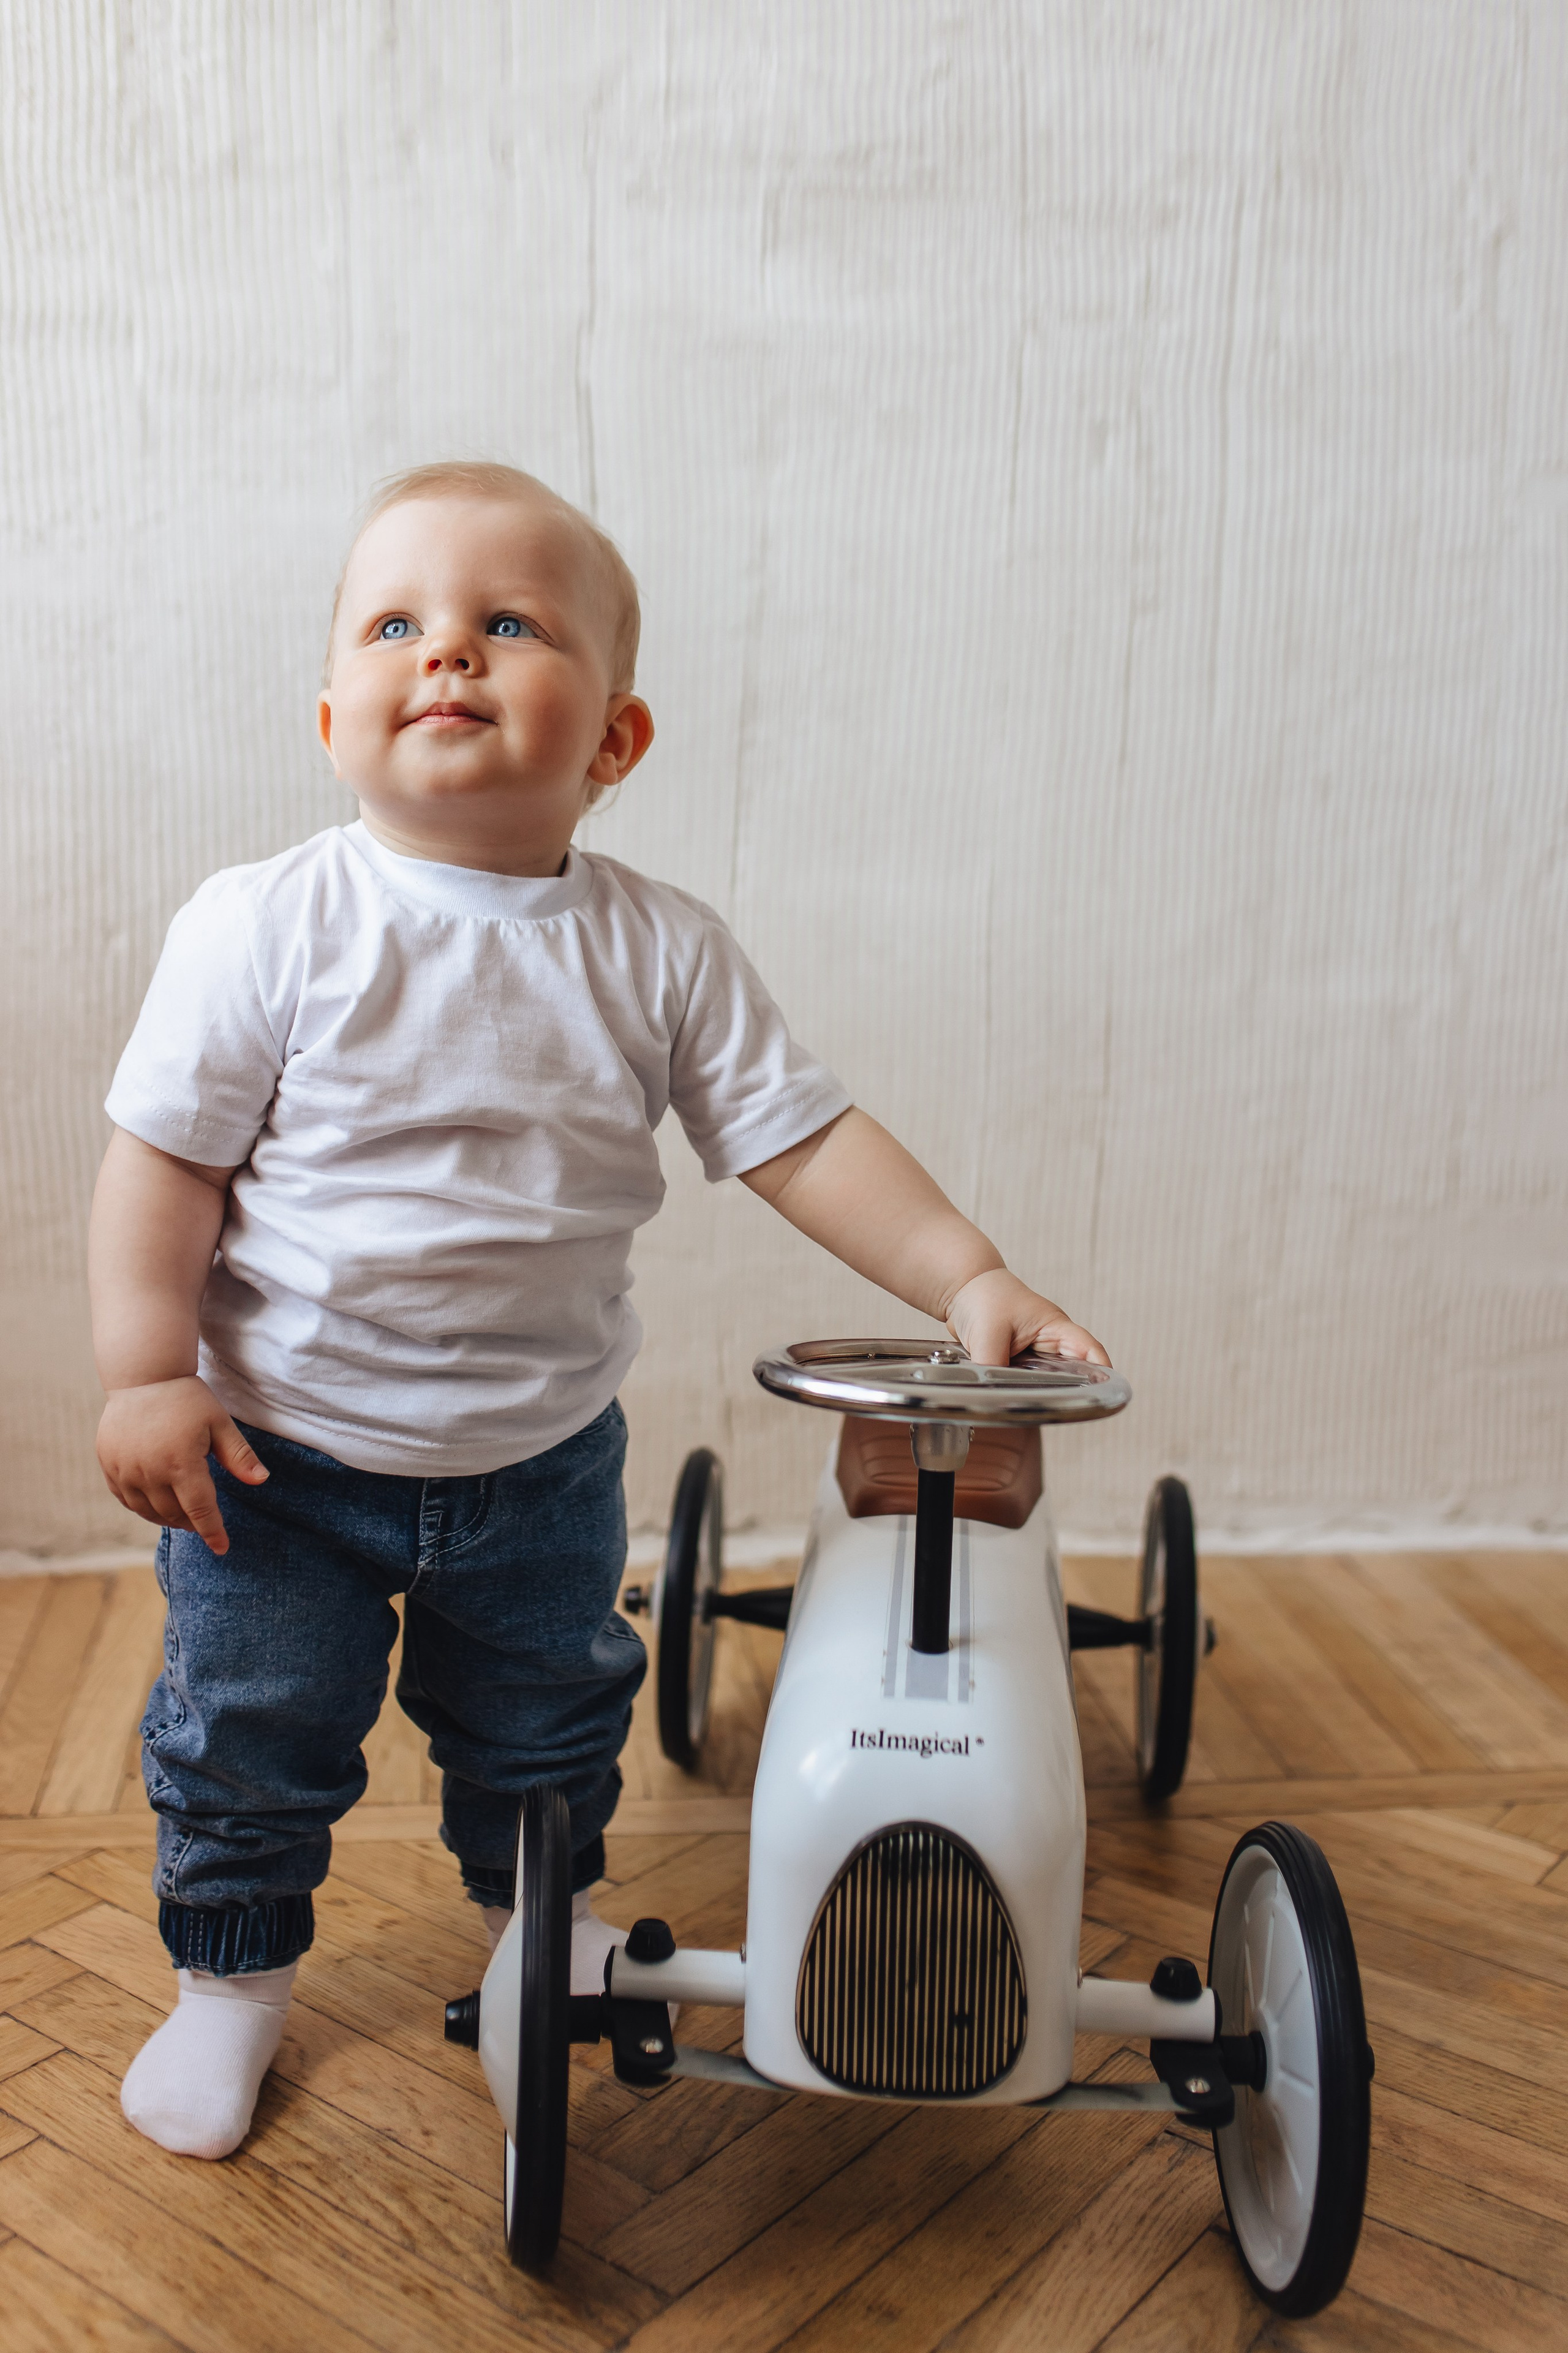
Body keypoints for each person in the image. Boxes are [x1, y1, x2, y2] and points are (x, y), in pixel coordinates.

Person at [90, 459, 1109, 2160]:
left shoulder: (660, 953)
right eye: (398, 624)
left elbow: (803, 1138)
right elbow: (161, 1167)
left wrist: (968, 1271)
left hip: (539, 1462)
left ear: (615, 742)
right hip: (275, 1464)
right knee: (247, 1731)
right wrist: (143, 1369)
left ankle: (542, 1938)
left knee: (550, 1716)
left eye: (507, 623)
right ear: (333, 709)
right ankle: (232, 1981)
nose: (450, 656)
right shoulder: (268, 925)